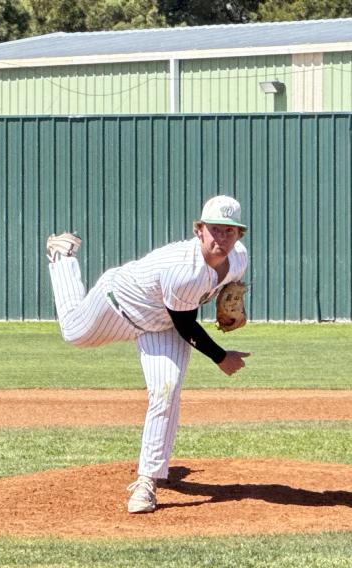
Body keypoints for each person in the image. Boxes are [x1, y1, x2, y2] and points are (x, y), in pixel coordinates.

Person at [45, 195, 251, 514]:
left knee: (165, 392)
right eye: (215, 229)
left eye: (230, 230)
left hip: (163, 324)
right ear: (199, 230)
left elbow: (228, 288)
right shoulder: (184, 270)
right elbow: (186, 324)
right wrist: (221, 357)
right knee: (73, 331)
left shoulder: (239, 258)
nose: (222, 238)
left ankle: (147, 482)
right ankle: (62, 257)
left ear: (239, 235)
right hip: (120, 305)